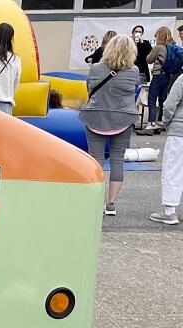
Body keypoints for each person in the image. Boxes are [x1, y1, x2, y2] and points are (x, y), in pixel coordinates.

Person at [79, 35, 141, 217]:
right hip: (123, 118)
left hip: (95, 116)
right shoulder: (134, 71)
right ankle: (111, 203)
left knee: (95, 159)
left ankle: (94, 201)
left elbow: (89, 89)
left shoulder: (96, 68)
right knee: (117, 159)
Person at [150, 52, 183, 225]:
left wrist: (167, 122)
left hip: (182, 129)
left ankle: (170, 211)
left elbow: (170, 104)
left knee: (174, 170)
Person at [145, 27, 179, 132]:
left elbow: (149, 60)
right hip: (168, 75)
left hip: (158, 75)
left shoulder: (159, 47)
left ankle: (151, 123)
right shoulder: (173, 47)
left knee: (152, 99)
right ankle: (161, 122)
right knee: (163, 99)